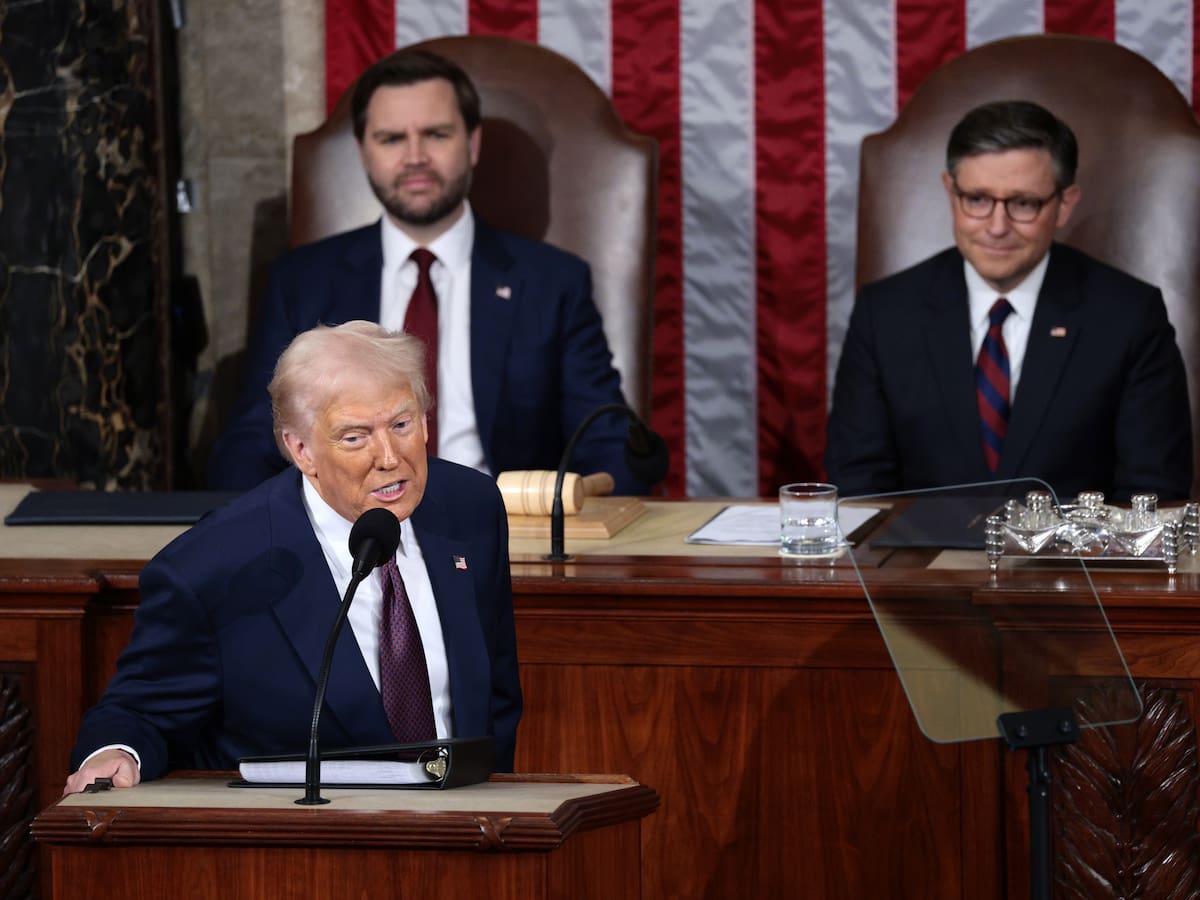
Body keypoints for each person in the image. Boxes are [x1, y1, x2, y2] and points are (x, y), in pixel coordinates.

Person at [64, 322, 521, 793]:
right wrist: (115, 751)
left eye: (402, 424)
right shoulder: (212, 566)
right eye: (354, 437)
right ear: (301, 449)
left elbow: (497, 696)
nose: (389, 457)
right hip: (301, 848)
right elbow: (138, 711)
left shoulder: (471, 507)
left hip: (466, 831)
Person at [207, 48, 645, 495]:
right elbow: (254, 440)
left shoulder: (553, 283)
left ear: (472, 145)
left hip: (505, 537)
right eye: (392, 139)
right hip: (350, 537)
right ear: (363, 152)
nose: (415, 157)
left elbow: (607, 442)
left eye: (436, 135)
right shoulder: (302, 281)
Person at [825, 100, 1192, 501]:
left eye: (1023, 204)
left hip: (1073, 562)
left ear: (1064, 204)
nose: (997, 227)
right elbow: (858, 489)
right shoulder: (885, 314)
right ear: (951, 192)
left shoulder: (1129, 316)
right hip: (918, 562)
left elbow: (1152, 495)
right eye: (978, 199)